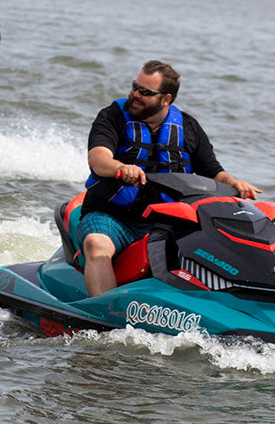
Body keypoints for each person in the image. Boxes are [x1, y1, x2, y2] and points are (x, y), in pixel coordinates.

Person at [76, 60, 261, 297]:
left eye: (146, 92)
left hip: (166, 222)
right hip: (112, 215)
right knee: (96, 245)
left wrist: (234, 183)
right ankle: (105, 317)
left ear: (166, 99)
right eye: (135, 87)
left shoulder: (189, 127)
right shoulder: (112, 116)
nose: (135, 95)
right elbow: (98, 159)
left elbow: (213, 171)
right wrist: (121, 167)